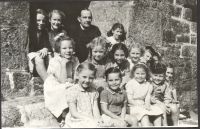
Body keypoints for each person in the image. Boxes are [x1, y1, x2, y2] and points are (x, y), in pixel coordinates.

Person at [43, 36, 79, 127]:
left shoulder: (75, 59)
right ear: (59, 50)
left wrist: (73, 80)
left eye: (70, 48)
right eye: (64, 48)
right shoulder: (55, 61)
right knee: (65, 89)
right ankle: (63, 116)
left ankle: (74, 111)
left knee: (76, 88)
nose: (68, 50)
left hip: (69, 83)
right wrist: (63, 64)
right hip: (55, 86)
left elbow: (77, 74)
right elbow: (62, 81)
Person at [64, 62, 103, 128]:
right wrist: (88, 119)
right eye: (84, 77)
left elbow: (95, 109)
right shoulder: (72, 90)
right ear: (77, 75)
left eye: (91, 78)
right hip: (77, 119)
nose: (87, 80)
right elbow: (74, 113)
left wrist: (98, 119)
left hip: (90, 118)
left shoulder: (93, 92)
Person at [28, 9, 52, 81]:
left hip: (38, 53)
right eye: (38, 20)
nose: (41, 23)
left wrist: (45, 48)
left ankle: (53, 78)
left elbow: (48, 45)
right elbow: (28, 48)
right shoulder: (29, 31)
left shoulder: (44, 31)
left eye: (43, 21)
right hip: (31, 54)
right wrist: (39, 51)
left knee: (51, 56)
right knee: (39, 58)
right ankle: (48, 82)